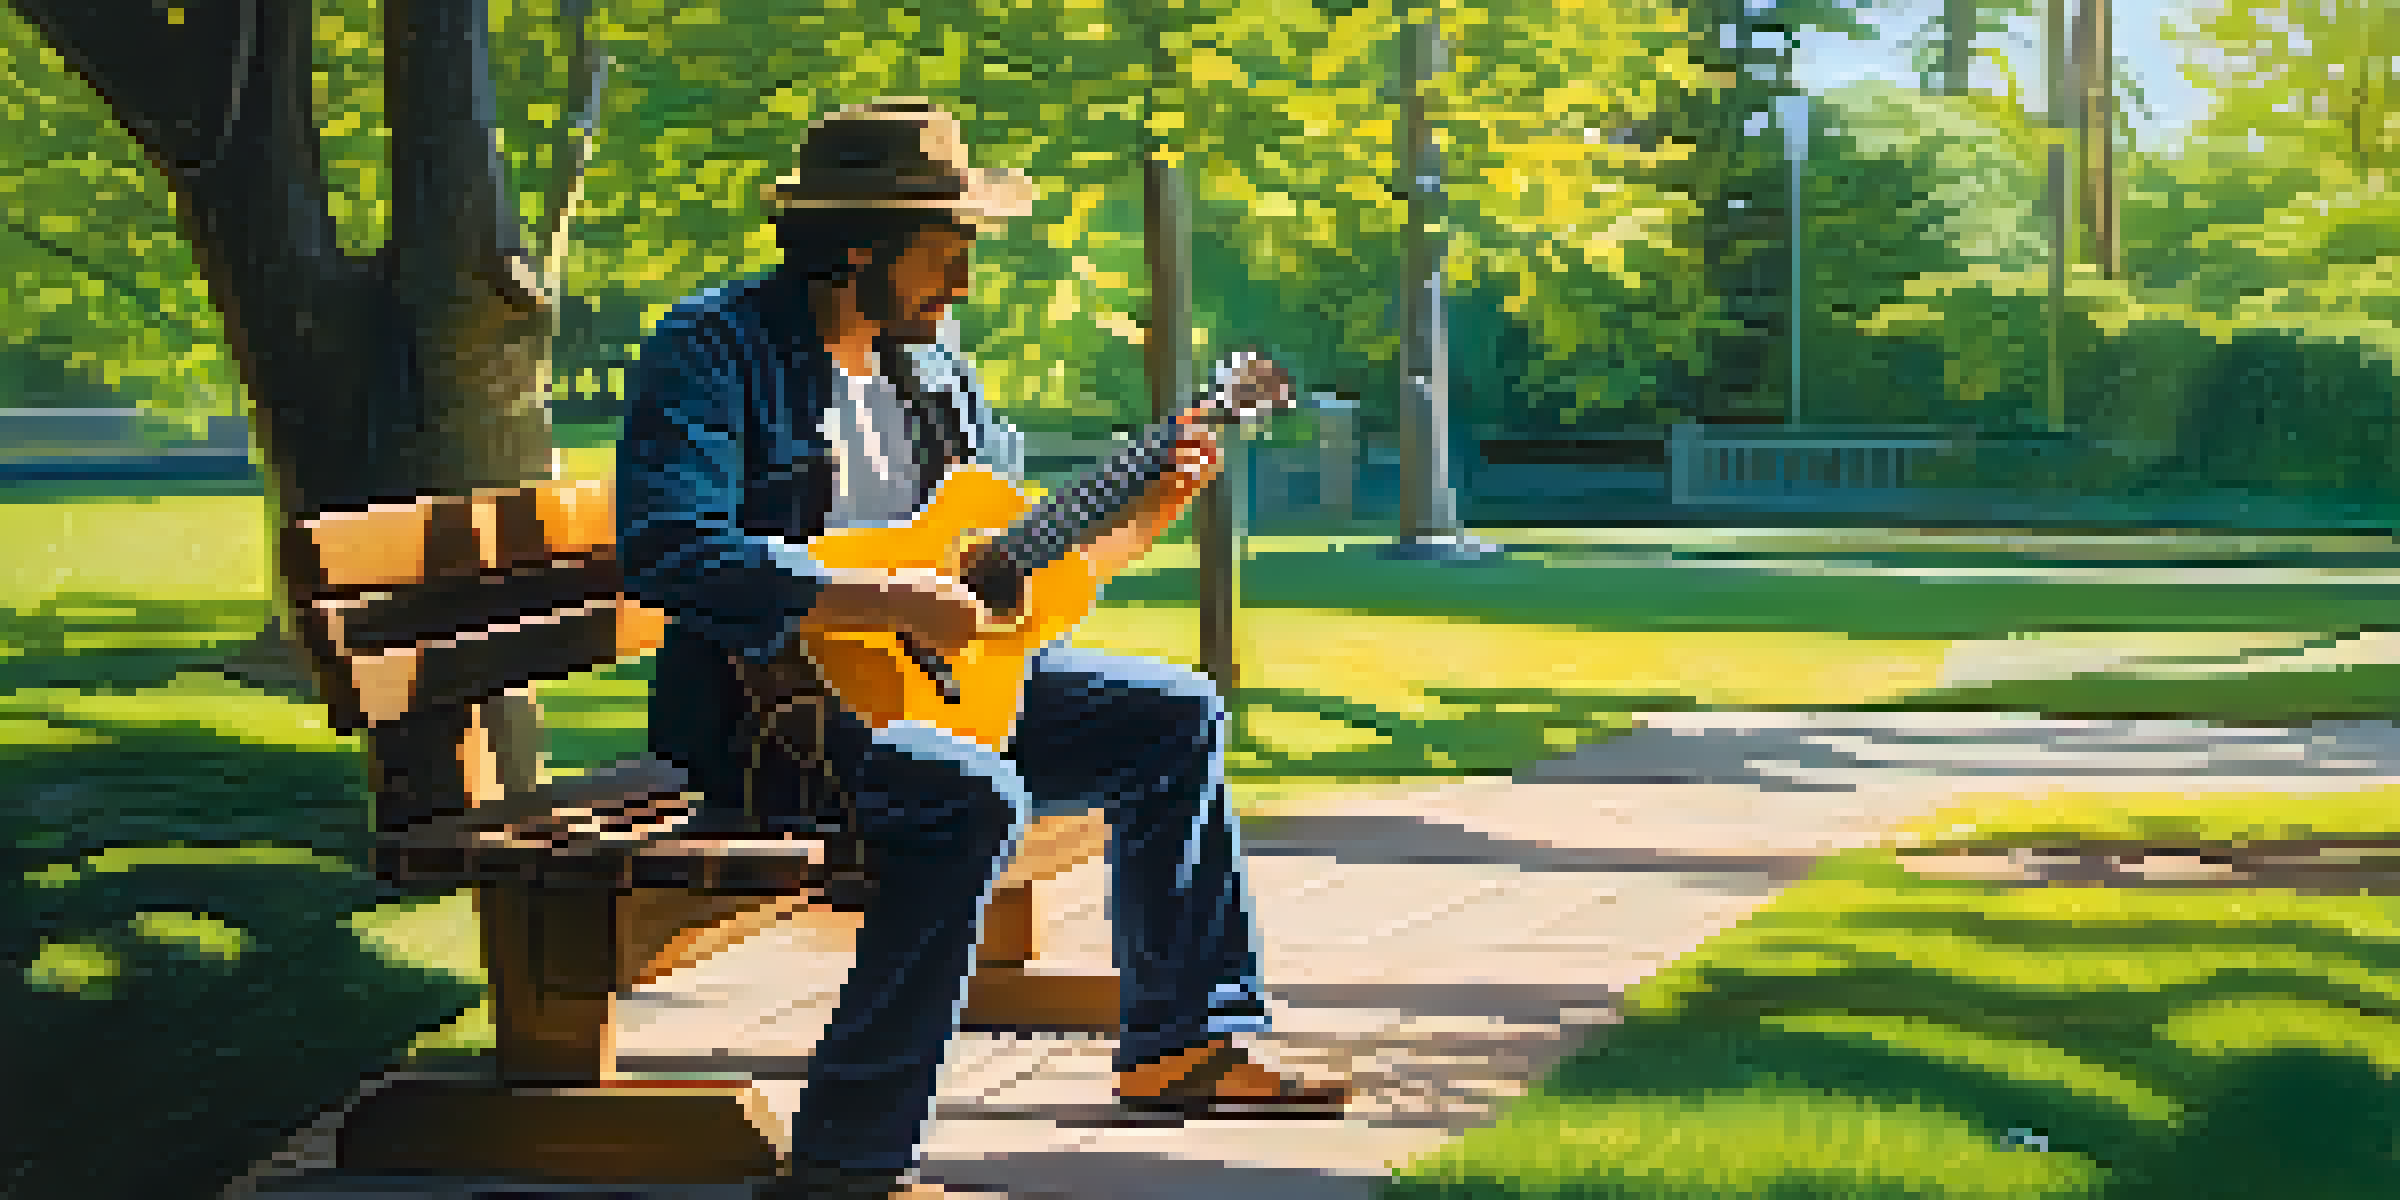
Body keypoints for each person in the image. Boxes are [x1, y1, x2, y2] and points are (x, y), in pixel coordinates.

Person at [617, 97, 1352, 1200]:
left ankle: (1183, 1044)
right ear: (856, 246)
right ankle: (846, 1167)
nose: (961, 285)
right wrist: (878, 596)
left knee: (1173, 711)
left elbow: (1006, 573)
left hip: (926, 695)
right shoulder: (714, 349)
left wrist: (1137, 518)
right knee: (967, 793)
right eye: (943, 255)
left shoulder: (933, 366)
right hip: (771, 725)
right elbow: (671, 550)